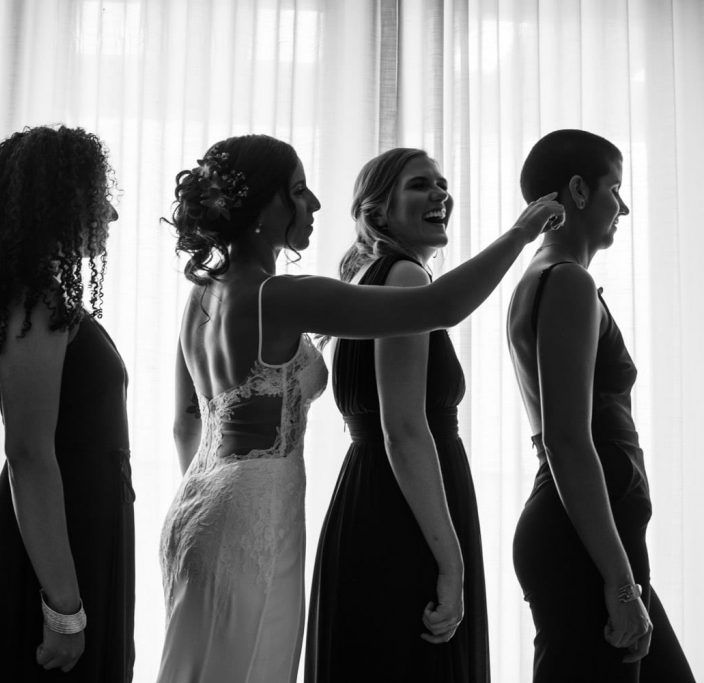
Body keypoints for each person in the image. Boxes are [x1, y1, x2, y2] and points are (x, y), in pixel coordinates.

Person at [157, 134, 563, 683]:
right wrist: (521, 232)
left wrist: (221, 500)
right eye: (299, 192)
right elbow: (439, 307)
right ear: (261, 206)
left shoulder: (203, 293)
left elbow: (187, 420)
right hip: (254, 517)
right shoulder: (278, 295)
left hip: (200, 504)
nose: (316, 205)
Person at [0, 126, 133, 682]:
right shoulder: (35, 303)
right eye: (99, 197)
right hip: (51, 548)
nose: (111, 214)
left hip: (79, 529)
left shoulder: (44, 297)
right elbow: (28, 453)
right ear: (61, 200)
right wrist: (63, 609)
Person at [507, 129, 695, 682]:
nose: (625, 206)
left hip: (595, 537)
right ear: (579, 191)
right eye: (616, 188)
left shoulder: (551, 279)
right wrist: (618, 583)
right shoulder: (565, 282)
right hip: (585, 544)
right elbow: (567, 440)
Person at [306, 148, 489, 681]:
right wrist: (452, 563)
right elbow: (405, 428)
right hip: (405, 511)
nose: (440, 194)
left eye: (442, 183)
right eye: (420, 185)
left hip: (369, 494)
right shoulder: (406, 277)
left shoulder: (367, 276)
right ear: (379, 212)